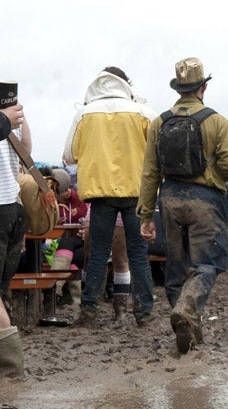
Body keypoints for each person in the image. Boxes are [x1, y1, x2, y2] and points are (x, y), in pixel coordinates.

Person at [138, 57, 228, 354]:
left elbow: (149, 171)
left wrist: (146, 213)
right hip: (204, 200)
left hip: (168, 199)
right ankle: (186, 310)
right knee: (206, 265)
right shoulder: (217, 121)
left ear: (178, 88)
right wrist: (212, 176)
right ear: (203, 87)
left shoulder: (160, 122)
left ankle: (188, 329)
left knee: (175, 269)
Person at [62, 66, 157, 327]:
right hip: (136, 193)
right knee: (138, 255)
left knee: (98, 254)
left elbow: (69, 154)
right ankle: (144, 313)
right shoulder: (144, 113)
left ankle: (89, 312)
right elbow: (156, 152)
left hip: (100, 194)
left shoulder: (85, 113)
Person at [0, 98, 27, 377]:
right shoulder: (11, 114)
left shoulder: (6, 118)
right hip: (12, 206)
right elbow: (26, 152)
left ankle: (10, 371)